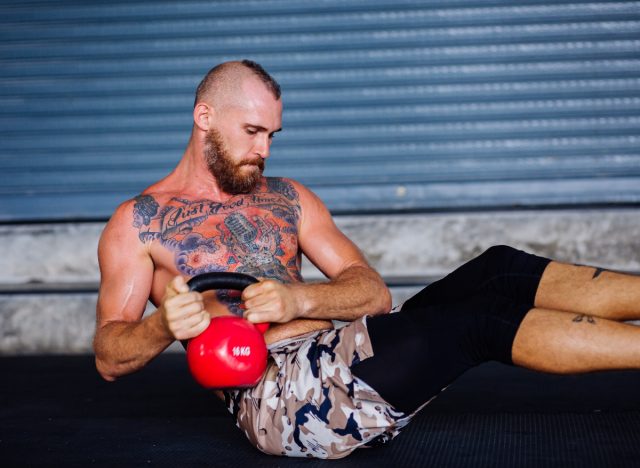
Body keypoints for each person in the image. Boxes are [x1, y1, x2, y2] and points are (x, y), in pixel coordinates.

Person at [94, 60, 640, 459]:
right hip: (279, 394)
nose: (264, 150)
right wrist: (163, 324)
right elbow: (109, 355)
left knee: (497, 268)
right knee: (477, 324)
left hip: (348, 354)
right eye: (252, 132)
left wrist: (299, 297)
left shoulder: (288, 198)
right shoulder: (139, 222)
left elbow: (373, 293)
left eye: (272, 135)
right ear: (205, 116)